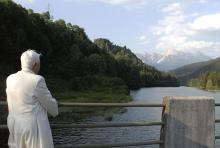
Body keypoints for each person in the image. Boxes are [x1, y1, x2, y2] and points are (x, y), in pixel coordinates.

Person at [6, 50, 58, 148]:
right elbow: (52, 107)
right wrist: (55, 103)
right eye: (39, 64)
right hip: (33, 130)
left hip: (15, 125)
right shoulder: (37, 80)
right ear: (35, 65)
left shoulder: (10, 79)